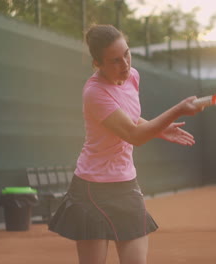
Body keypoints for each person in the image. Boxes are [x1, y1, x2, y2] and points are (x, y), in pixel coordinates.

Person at [48, 24, 203, 264]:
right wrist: (179, 110)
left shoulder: (132, 77)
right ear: (98, 64)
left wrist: (160, 129)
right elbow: (134, 135)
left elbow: (128, 118)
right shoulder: (94, 93)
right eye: (115, 61)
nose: (125, 65)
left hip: (126, 185)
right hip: (92, 191)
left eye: (127, 54)